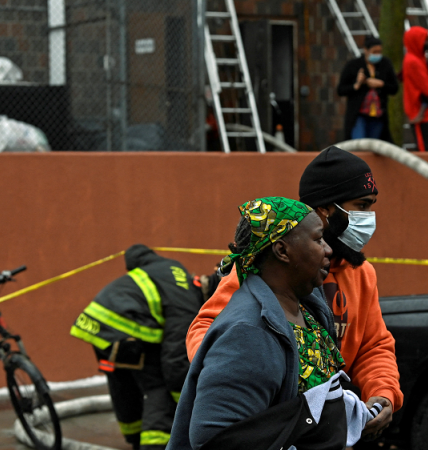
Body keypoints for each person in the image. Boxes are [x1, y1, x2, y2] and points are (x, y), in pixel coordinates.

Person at [185, 146, 401, 441]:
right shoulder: (262, 273)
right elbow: (210, 332)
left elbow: (374, 346)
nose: (369, 216)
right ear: (325, 209)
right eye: (361, 205)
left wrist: (382, 394)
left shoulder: (360, 273)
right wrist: (248, 380)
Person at [168, 197, 378, 450]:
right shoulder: (247, 334)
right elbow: (214, 438)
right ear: (282, 251)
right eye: (317, 239)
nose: (328, 249)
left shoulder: (307, 309)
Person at [69, 244, 204, 450]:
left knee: (124, 383)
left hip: (98, 328)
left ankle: (133, 439)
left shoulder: (164, 268)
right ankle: (155, 445)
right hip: (127, 330)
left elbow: (134, 254)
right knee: (158, 386)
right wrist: (185, 397)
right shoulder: (186, 298)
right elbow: (175, 359)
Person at [337, 36, 399, 143]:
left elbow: (394, 87)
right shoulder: (353, 66)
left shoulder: (385, 64)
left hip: (378, 116)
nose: (377, 54)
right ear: (366, 50)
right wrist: (356, 85)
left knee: (374, 146)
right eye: (374, 51)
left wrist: (381, 84)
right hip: (359, 115)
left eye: (379, 51)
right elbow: (341, 90)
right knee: (359, 144)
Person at [402, 26, 428, 152]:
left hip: (425, 110)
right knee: (426, 150)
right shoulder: (413, 61)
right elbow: (426, 87)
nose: (426, 44)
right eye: (424, 40)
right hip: (422, 112)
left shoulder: (417, 59)